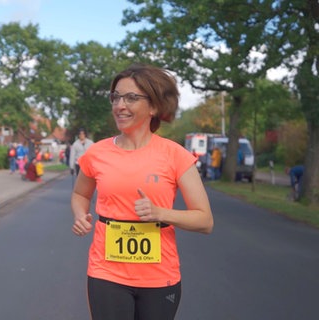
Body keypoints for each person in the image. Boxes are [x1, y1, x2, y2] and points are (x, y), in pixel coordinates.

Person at [70, 63, 214, 319]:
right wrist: (80, 214)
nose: (119, 105)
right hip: (106, 272)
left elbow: (205, 220)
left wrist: (161, 213)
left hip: (159, 277)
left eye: (131, 98)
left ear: (154, 107)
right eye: (116, 97)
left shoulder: (176, 155)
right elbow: (81, 194)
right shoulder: (97, 153)